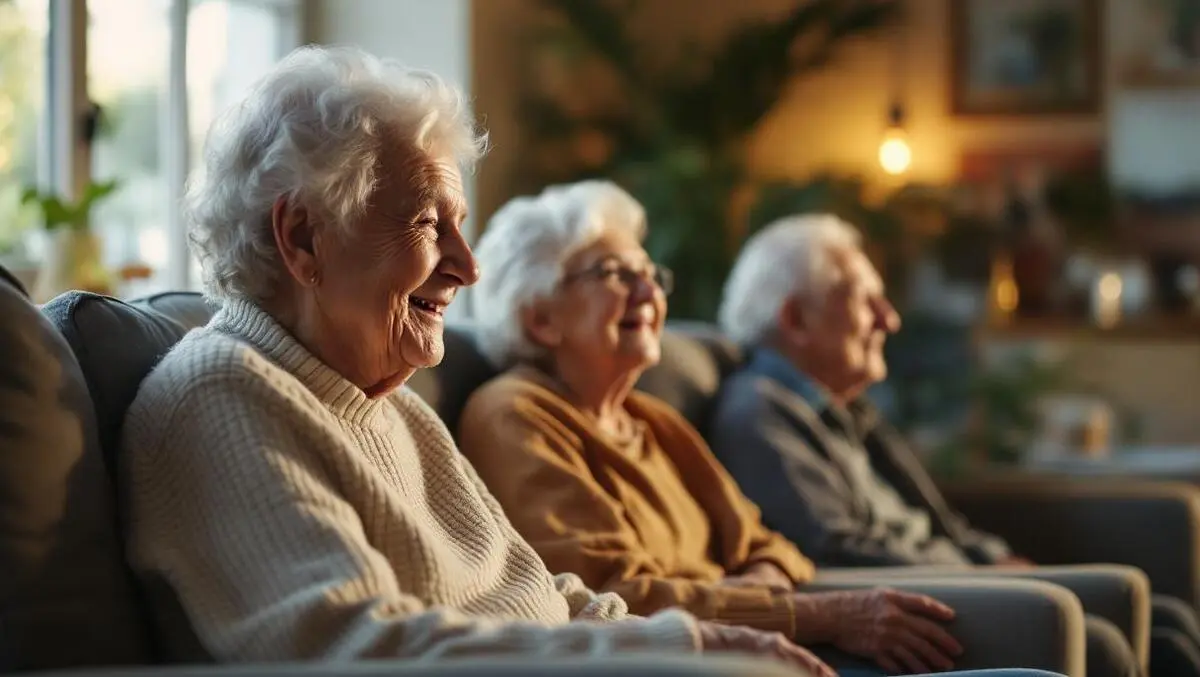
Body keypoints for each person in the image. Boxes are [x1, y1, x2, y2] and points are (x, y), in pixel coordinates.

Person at [118, 45, 840, 673]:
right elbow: (357, 649)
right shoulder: (223, 395)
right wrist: (684, 657)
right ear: (304, 237)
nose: (468, 268)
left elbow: (547, 595)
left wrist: (710, 643)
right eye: (431, 224)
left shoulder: (397, 407)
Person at [459, 180, 1068, 677]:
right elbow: (615, 598)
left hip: (755, 641)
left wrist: (763, 599)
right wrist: (795, 613)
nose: (649, 289)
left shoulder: (654, 422)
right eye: (616, 273)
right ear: (540, 318)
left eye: (650, 273)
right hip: (688, 661)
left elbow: (768, 545)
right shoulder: (516, 416)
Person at [710, 214, 1200, 677]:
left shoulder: (843, 409)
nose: (890, 319)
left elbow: (936, 518)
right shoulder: (758, 413)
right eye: (866, 301)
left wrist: (990, 559)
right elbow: (832, 548)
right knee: (1112, 645)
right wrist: (986, 574)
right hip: (918, 598)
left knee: (1168, 622)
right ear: (795, 318)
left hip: (956, 577)